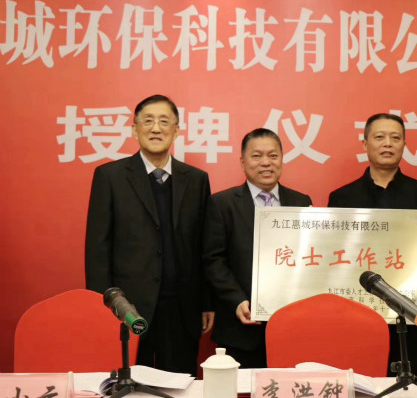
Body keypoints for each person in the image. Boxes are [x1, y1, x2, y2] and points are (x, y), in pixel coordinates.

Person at [85, 94, 214, 375]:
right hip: (128, 308)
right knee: (129, 383)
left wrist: (206, 302)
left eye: (164, 122)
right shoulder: (110, 177)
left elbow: (204, 247)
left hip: (182, 307)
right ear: (135, 130)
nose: (156, 128)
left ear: (176, 131)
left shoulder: (197, 180)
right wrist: (103, 306)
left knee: (181, 383)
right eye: (148, 121)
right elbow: (97, 249)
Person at [328, 113, 417, 377]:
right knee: (361, 381)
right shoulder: (342, 198)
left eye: (395, 138)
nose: (387, 143)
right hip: (358, 313)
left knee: (409, 385)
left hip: (412, 312)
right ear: (365, 144)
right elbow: (335, 258)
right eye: (379, 137)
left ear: (404, 145)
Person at [203, 128, 312, 369]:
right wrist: (237, 300)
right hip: (240, 327)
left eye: (273, 155)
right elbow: (213, 260)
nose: (266, 162)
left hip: (291, 325)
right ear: (243, 162)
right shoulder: (222, 204)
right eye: (256, 156)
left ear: (282, 159)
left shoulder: (301, 202)